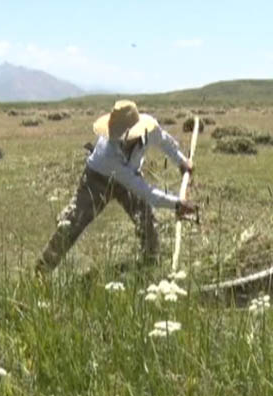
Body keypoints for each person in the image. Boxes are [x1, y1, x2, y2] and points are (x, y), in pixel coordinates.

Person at [36, 100, 197, 273]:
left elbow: (165, 142)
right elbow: (145, 191)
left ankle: (150, 263)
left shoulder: (150, 129)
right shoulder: (108, 154)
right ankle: (43, 269)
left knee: (145, 218)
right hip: (97, 178)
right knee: (73, 222)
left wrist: (181, 161)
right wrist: (177, 204)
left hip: (129, 173)